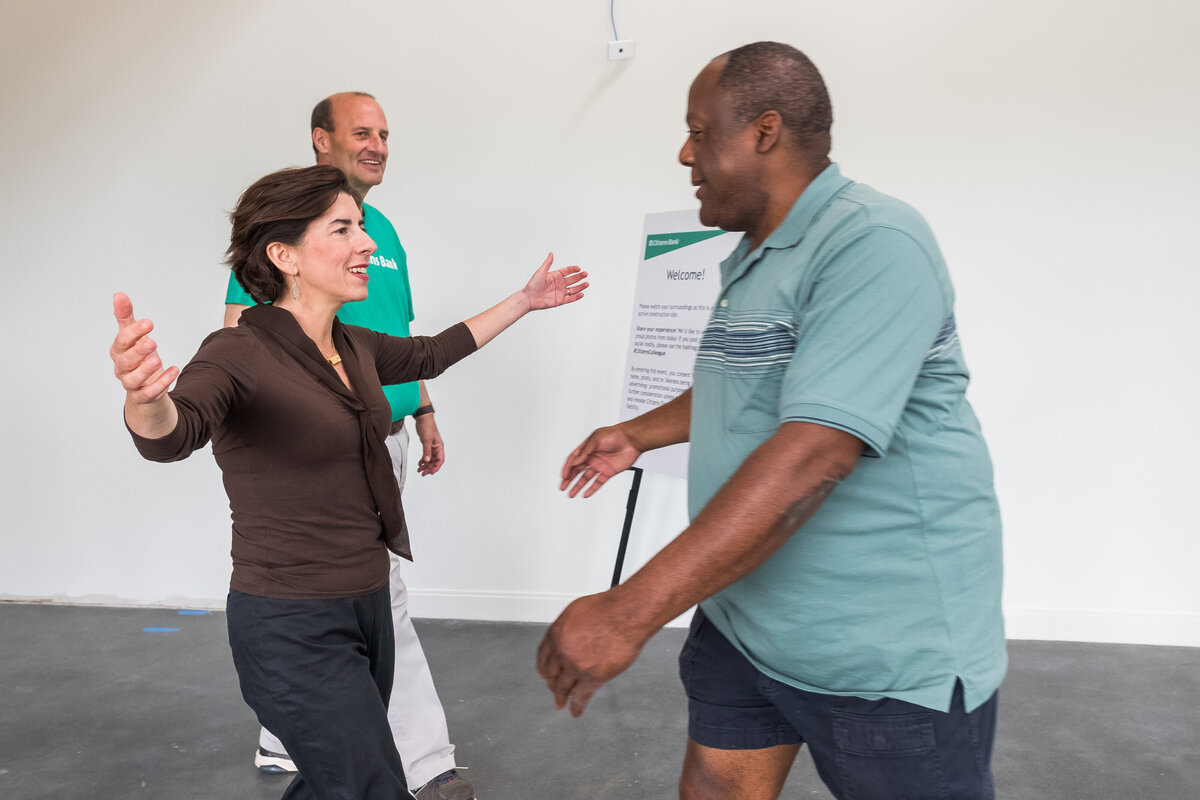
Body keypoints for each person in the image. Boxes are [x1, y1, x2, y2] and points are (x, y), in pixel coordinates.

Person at [538, 41, 1005, 800]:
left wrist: (629, 611)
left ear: (763, 131)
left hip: (877, 649)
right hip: (747, 616)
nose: (685, 153)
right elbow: (750, 388)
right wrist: (638, 434)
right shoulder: (756, 256)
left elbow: (814, 450)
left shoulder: (873, 242)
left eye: (699, 129)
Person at [112, 164, 586, 800]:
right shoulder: (236, 351)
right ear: (285, 255)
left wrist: (525, 301)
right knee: (372, 784)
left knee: (340, 778)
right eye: (344, 229)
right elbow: (174, 432)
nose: (367, 243)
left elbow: (432, 353)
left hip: (365, 604)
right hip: (290, 621)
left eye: (361, 227)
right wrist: (145, 398)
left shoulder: (351, 344)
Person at [223, 92, 472, 800]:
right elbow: (245, 344)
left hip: (381, 434)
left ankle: (293, 739)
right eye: (362, 132)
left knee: (363, 606)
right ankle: (425, 765)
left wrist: (422, 410)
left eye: (386, 133)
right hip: (318, 448)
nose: (379, 144)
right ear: (320, 139)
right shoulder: (292, 225)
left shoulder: (379, 230)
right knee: (363, 602)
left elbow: (407, 340)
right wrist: (154, 404)